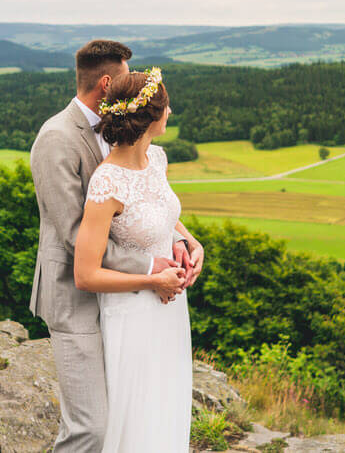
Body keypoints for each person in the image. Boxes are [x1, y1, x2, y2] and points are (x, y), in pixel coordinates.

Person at [28, 40, 202, 452]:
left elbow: (143, 203)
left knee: (135, 414)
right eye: (127, 76)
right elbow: (74, 235)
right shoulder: (56, 139)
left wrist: (183, 242)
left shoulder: (136, 142)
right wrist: (150, 268)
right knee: (91, 428)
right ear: (108, 83)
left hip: (131, 303)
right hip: (76, 300)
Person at [74, 66, 200, 451]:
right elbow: (85, 274)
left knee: (167, 403)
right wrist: (152, 280)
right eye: (167, 105)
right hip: (132, 312)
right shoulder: (106, 181)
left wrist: (192, 243)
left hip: (170, 309)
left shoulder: (157, 159)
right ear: (150, 117)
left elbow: (162, 214)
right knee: (137, 415)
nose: (171, 111)